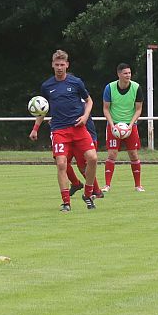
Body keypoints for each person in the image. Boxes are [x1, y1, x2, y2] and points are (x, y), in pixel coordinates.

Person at [29, 50, 100, 211]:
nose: (59, 67)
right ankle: (66, 202)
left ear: (67, 65)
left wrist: (85, 116)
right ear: (52, 65)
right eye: (57, 65)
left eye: (62, 64)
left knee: (93, 158)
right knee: (61, 163)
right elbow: (42, 109)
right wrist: (35, 129)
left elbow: (89, 101)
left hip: (78, 127)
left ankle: (88, 194)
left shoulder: (76, 82)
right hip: (59, 130)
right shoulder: (47, 86)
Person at [102, 63, 146, 192]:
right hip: (114, 124)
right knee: (112, 154)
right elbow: (106, 109)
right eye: (125, 73)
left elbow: (138, 109)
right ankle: (107, 185)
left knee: (133, 154)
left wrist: (130, 126)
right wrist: (112, 126)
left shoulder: (136, 87)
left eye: (129, 73)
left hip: (130, 126)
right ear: (119, 74)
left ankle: (138, 185)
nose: (128, 75)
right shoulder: (109, 88)